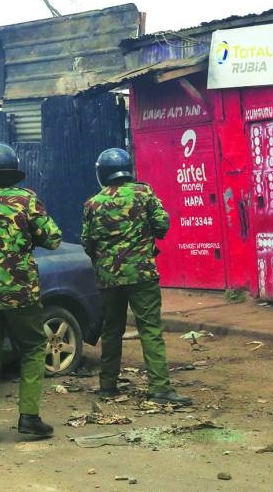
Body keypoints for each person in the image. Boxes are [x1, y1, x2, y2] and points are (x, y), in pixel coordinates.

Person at [0, 141, 61, 445]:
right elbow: (53, 238)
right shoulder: (27, 199)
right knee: (31, 348)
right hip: (20, 292)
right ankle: (29, 418)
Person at [81, 148, 192, 406]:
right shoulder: (144, 193)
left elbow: (87, 242)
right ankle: (160, 389)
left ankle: (107, 386)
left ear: (101, 173)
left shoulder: (92, 203)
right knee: (150, 330)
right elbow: (163, 225)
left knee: (112, 331)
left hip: (109, 278)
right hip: (142, 274)